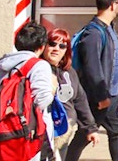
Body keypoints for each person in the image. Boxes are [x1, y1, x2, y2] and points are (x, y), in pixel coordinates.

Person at [0, 21, 58, 161]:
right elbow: (42, 101)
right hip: (25, 145)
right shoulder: (39, 66)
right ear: (42, 47)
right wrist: (53, 87)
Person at [70, 0, 118, 161]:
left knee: (117, 132)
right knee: (85, 134)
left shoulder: (108, 29)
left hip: (111, 94)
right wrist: (101, 96)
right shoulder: (93, 32)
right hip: (99, 95)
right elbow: (92, 66)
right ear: (113, 5)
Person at [44, 28, 100, 158]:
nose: (56, 49)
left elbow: (80, 100)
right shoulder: (38, 70)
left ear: (66, 50)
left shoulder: (69, 72)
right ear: (44, 46)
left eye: (62, 46)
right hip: (42, 133)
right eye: (52, 44)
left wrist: (90, 128)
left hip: (63, 132)